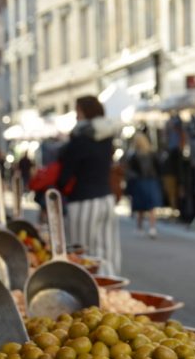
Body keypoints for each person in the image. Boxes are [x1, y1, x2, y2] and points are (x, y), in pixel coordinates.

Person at [57, 95, 121, 275]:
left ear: (85, 112)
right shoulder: (108, 137)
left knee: (83, 255)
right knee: (109, 253)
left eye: (77, 111)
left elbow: (65, 175)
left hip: (83, 200)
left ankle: (89, 295)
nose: (76, 116)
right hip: (106, 199)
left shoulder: (79, 139)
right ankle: (111, 291)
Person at [125, 133, 164, 237]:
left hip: (140, 181)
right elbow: (159, 167)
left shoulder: (134, 155)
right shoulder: (151, 153)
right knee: (151, 206)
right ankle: (152, 227)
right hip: (151, 180)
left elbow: (130, 170)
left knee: (141, 206)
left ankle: (140, 227)